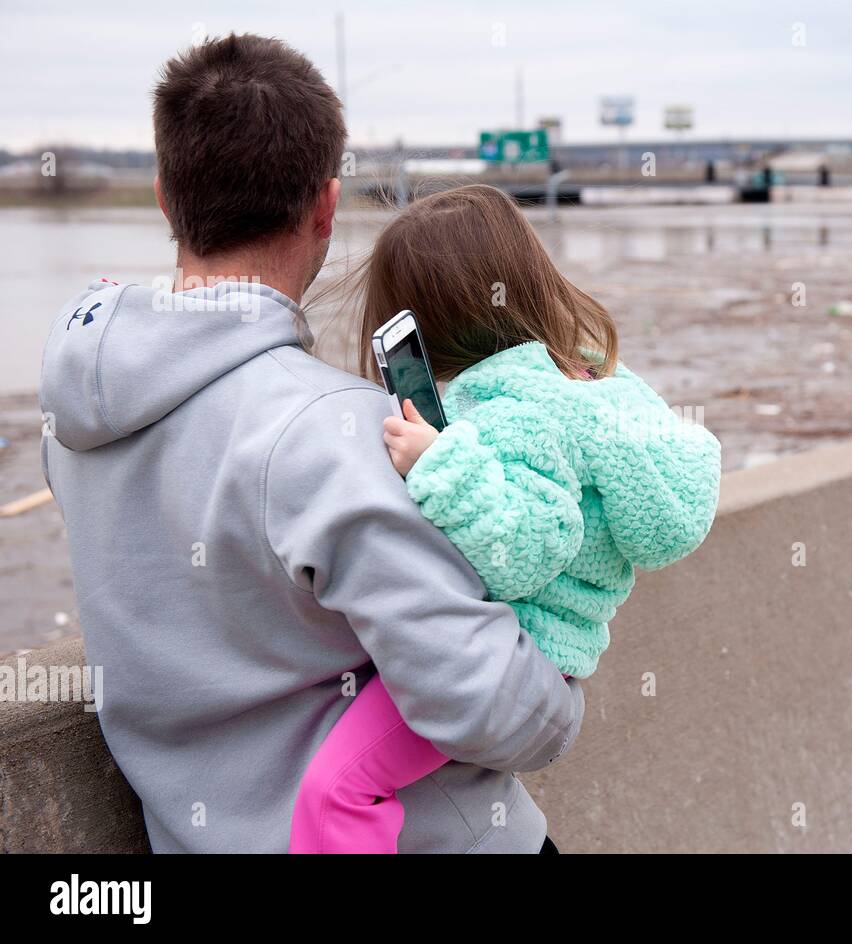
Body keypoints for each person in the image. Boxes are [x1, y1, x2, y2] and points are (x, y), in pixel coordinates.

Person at [38, 34, 583, 853]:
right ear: (326, 207)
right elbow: (496, 710)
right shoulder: (338, 431)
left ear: (163, 196)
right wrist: (568, 657)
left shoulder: (76, 417)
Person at [289, 186, 722, 853]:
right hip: (546, 655)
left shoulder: (509, 409)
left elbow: (534, 547)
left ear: (418, 315)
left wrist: (442, 465)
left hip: (516, 656)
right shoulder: (575, 375)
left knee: (338, 791)